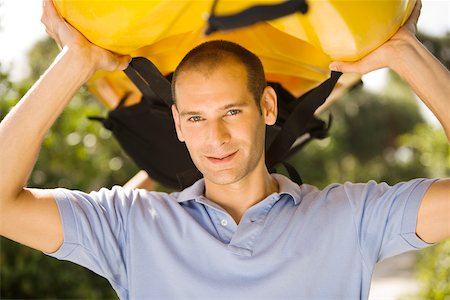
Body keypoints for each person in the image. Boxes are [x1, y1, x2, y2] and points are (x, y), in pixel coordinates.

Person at [0, 0, 448, 299]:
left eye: (232, 112)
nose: (215, 137)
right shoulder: (128, 225)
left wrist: (406, 52)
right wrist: (76, 59)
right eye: (196, 118)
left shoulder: (352, 217)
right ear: (178, 123)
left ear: (267, 107)